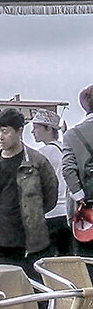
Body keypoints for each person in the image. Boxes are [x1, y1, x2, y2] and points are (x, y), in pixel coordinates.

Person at [0, 108, 57, 280]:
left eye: (5, 132)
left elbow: (50, 196)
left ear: (19, 131)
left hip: (29, 243)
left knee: (35, 294)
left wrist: (33, 211)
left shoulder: (37, 161)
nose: (0, 137)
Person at [31, 109, 70, 257]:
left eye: (36, 128)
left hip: (50, 212)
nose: (33, 132)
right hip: (66, 211)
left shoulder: (43, 152)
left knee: (45, 258)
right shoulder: (64, 148)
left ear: (48, 128)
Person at [63, 86, 93, 256]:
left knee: (87, 261)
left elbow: (68, 169)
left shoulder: (72, 135)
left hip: (87, 210)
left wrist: (81, 198)